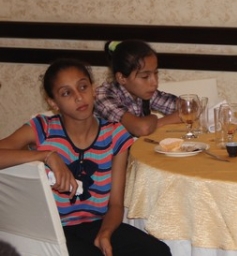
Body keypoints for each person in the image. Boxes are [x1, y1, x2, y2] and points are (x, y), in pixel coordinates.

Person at [0, 59, 171, 256]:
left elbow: (115, 205)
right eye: (66, 93)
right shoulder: (43, 129)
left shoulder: (114, 135)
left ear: (93, 89)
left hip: (97, 224)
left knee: (157, 251)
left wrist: (105, 234)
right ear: (53, 102)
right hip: (53, 231)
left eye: (83, 87)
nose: (79, 97)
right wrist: (46, 155)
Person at [94, 40, 180, 137]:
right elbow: (142, 128)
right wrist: (152, 119)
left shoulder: (144, 91)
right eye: (145, 77)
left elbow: (188, 108)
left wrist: (155, 123)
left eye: (155, 73)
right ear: (121, 78)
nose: (155, 82)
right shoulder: (103, 96)